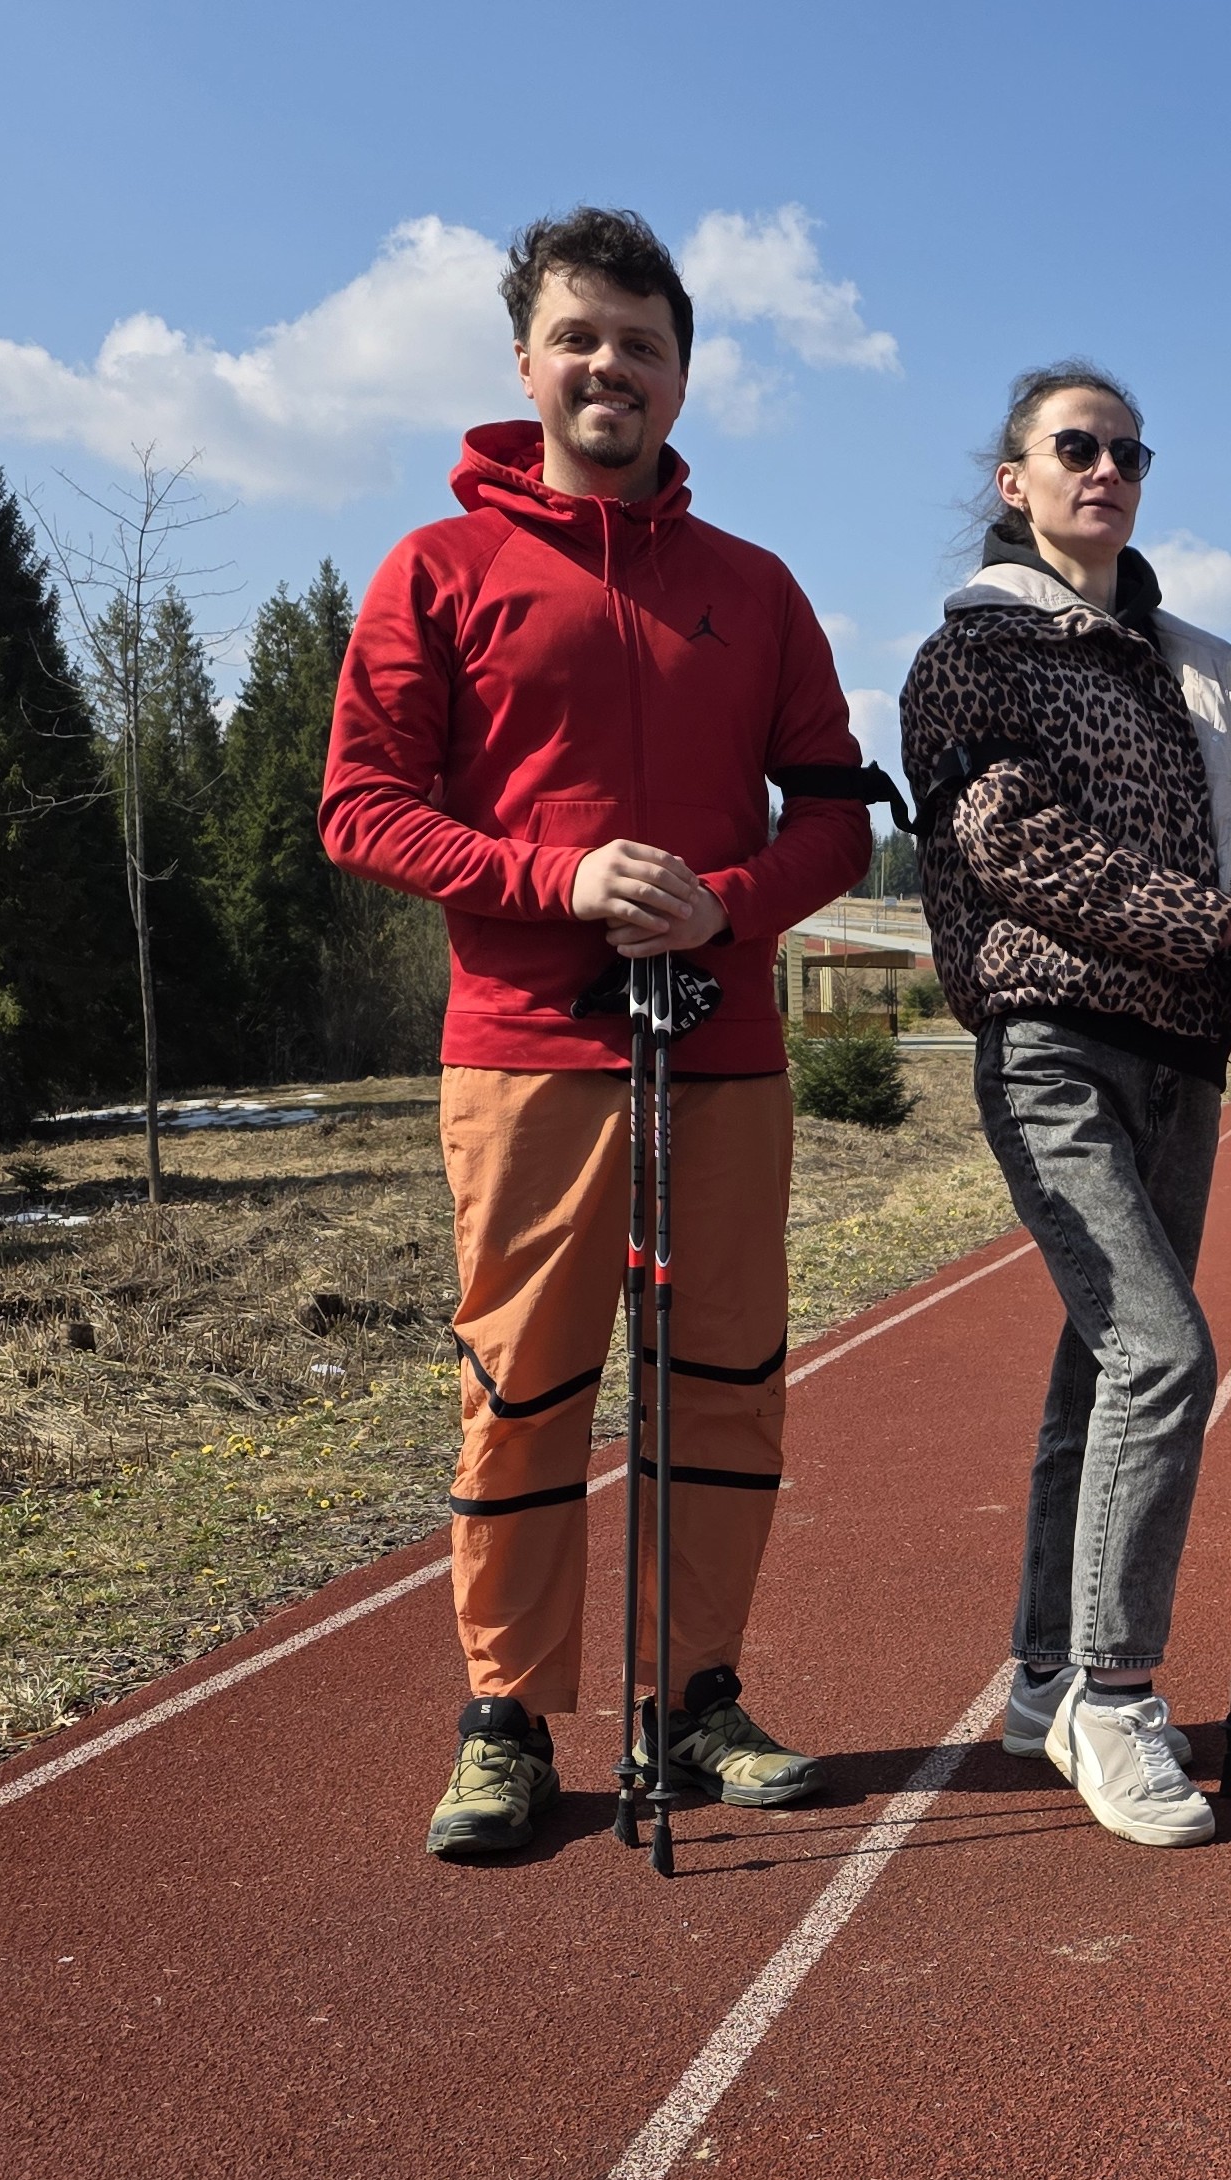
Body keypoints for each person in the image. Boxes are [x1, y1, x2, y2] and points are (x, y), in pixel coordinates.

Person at [325, 207, 876, 1860]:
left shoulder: (755, 591)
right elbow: (364, 808)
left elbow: (843, 818)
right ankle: (506, 1722)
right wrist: (557, 878)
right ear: (525, 363)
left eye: (641, 343)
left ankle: (698, 1697)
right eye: (580, 337)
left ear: (683, 374)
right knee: (525, 1382)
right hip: (526, 1048)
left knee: (724, 1384)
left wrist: (729, 900)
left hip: (721, 1050)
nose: (610, 367)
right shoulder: (439, 570)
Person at [900, 362, 1231, 1850]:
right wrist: (1212, 924)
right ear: (1013, 480)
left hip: (1182, 1060)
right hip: (1051, 1048)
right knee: (1162, 1355)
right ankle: (1115, 1691)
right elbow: (1013, 847)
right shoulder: (972, 659)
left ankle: (1038, 1678)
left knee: (1100, 1374)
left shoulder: (1195, 666)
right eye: (1076, 447)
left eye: (1130, 450)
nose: (1109, 469)